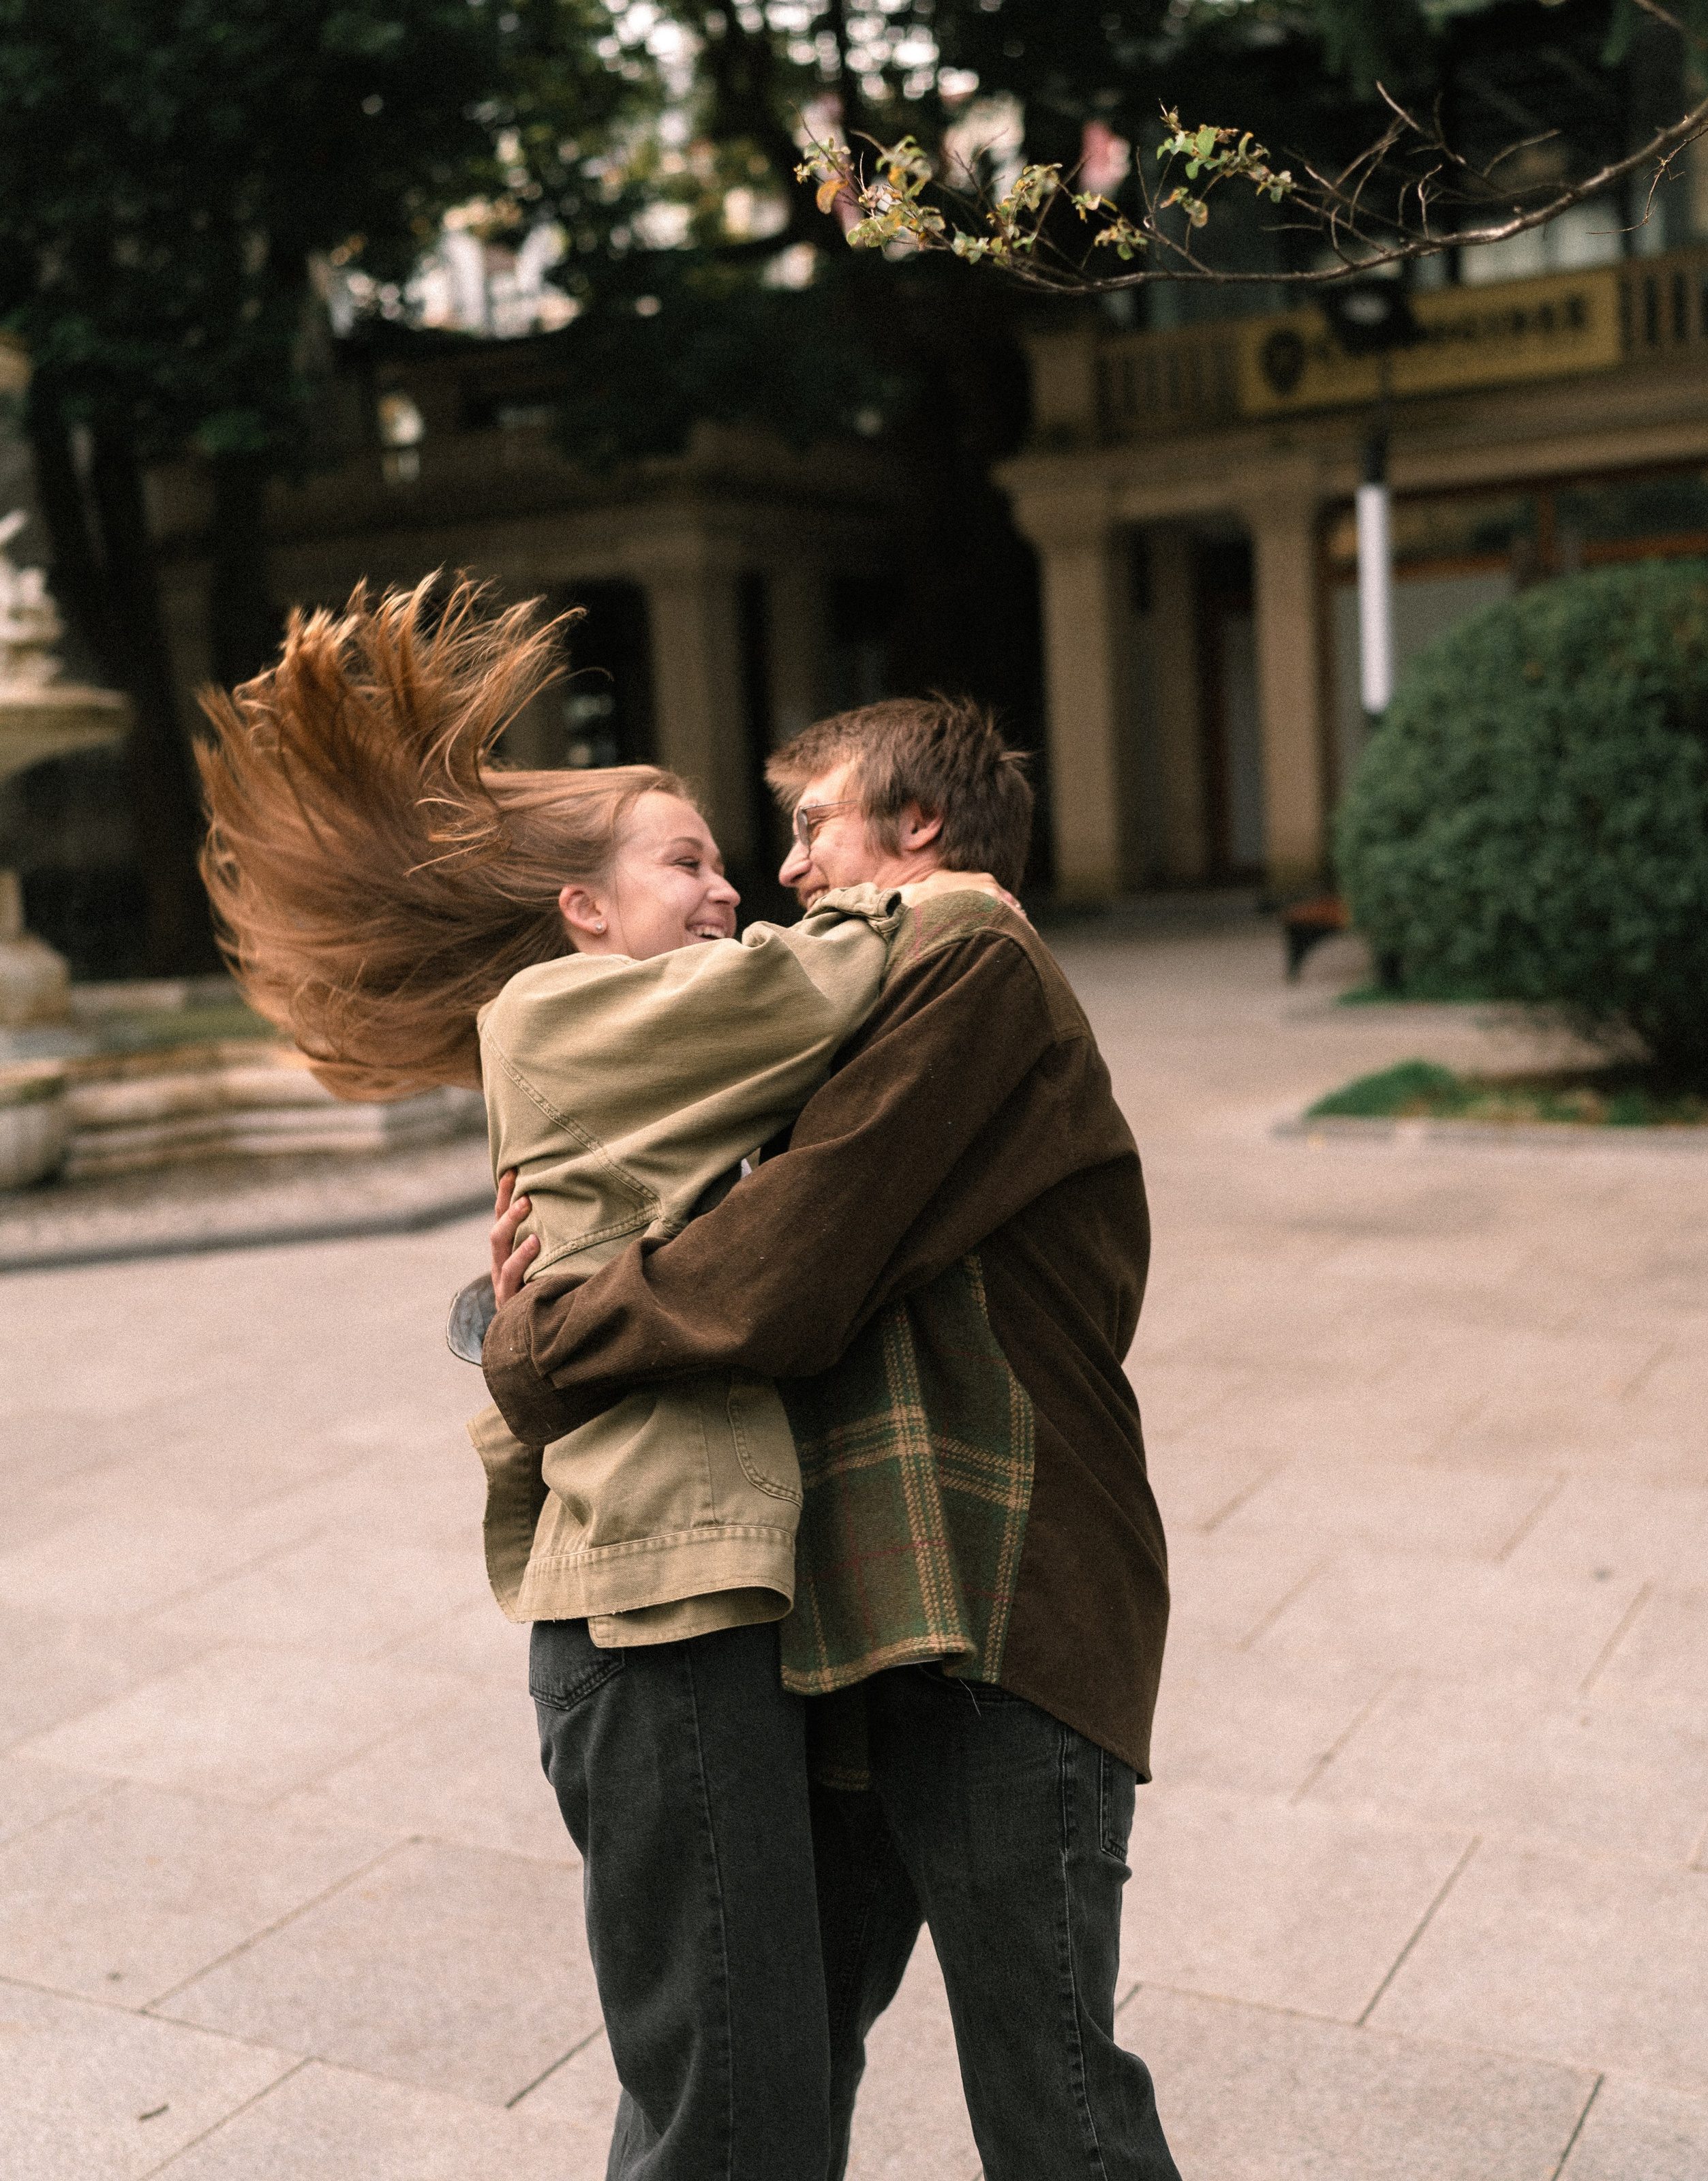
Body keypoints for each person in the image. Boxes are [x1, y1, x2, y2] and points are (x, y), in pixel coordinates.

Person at [197, 579, 1012, 2181]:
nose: (734, 891)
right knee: (734, 2116)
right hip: (654, 1625)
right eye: (690, 860)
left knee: (746, 2089)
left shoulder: (648, 1046)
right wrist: (963, 895)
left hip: (687, 1610)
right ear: (582, 908)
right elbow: (814, 980)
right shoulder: (570, 1012)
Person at [485, 696, 1180, 2180]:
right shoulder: (860, 997)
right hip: (859, 1631)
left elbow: (776, 1271)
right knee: (764, 2083)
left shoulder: (970, 956)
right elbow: (692, 1215)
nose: (784, 869)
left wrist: (535, 1346)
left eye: (812, 825)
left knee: (1052, 2105)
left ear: (917, 832)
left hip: (1002, 1617)